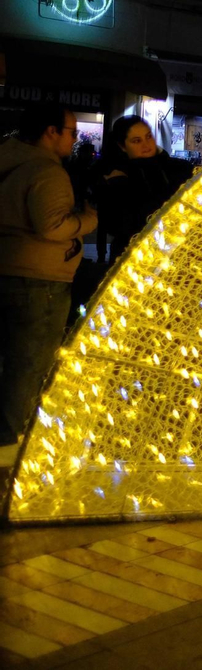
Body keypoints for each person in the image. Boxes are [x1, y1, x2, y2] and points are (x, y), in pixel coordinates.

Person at [0, 102, 98, 466]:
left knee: (8, 363)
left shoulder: (7, 159)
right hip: (38, 282)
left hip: (8, 270)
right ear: (51, 132)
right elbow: (52, 225)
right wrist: (86, 221)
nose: (74, 139)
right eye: (71, 132)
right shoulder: (47, 171)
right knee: (27, 367)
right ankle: (9, 451)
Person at [96, 116, 193, 259]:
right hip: (134, 256)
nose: (146, 145)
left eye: (148, 137)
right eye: (136, 141)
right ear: (122, 146)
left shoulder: (179, 168)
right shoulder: (115, 175)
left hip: (176, 255)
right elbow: (117, 225)